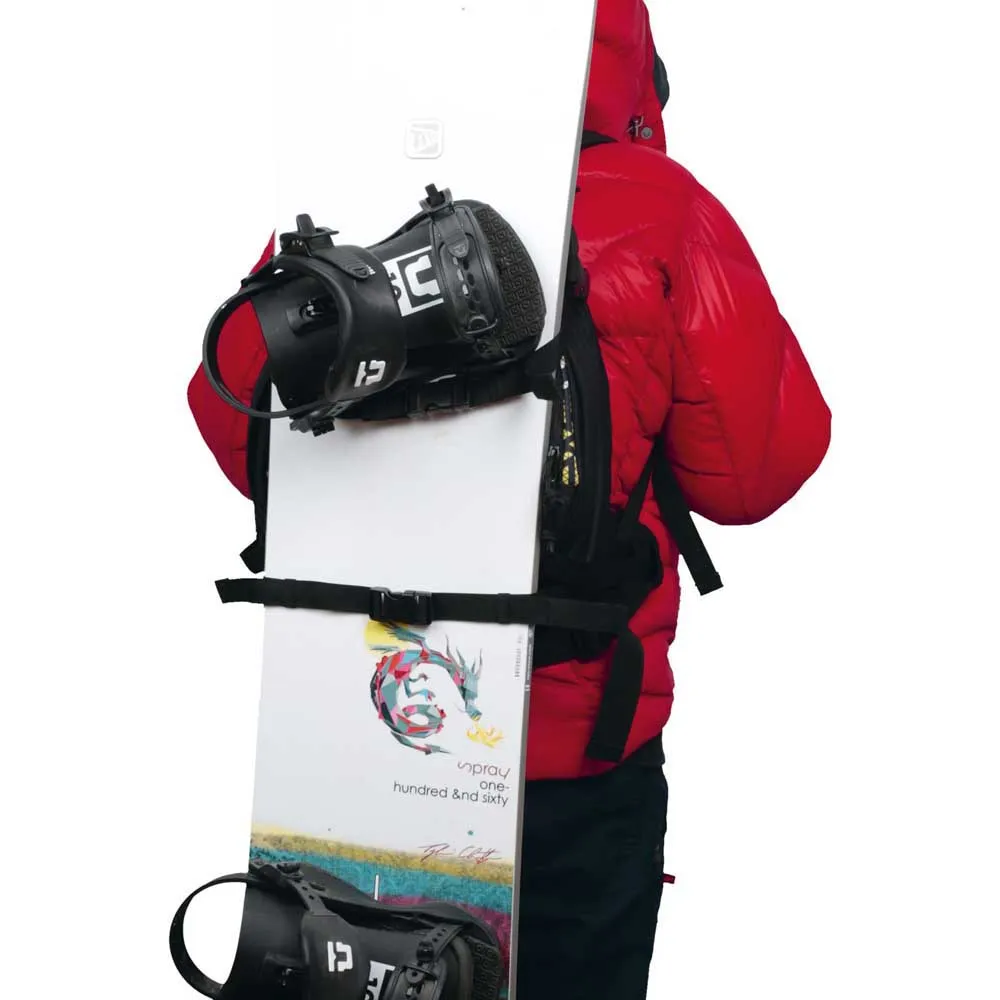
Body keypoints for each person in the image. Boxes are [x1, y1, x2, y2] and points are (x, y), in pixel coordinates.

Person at [186, 0, 831, 996]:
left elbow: (237, 423)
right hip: (575, 750)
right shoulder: (658, 208)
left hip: (351, 736)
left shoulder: (342, 200)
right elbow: (757, 475)